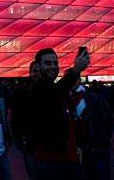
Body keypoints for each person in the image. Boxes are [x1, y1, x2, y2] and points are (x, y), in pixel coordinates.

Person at [27, 47, 90, 180]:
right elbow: (53, 95)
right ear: (38, 66)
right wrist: (75, 70)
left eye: (55, 63)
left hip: (68, 157)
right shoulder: (38, 88)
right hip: (51, 161)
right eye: (48, 63)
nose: (53, 66)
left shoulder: (55, 89)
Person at [71, 79, 114, 180]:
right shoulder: (68, 99)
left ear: (78, 81)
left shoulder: (92, 97)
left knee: (99, 172)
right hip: (83, 146)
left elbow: (109, 119)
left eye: (73, 79)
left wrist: (103, 140)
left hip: (96, 145)